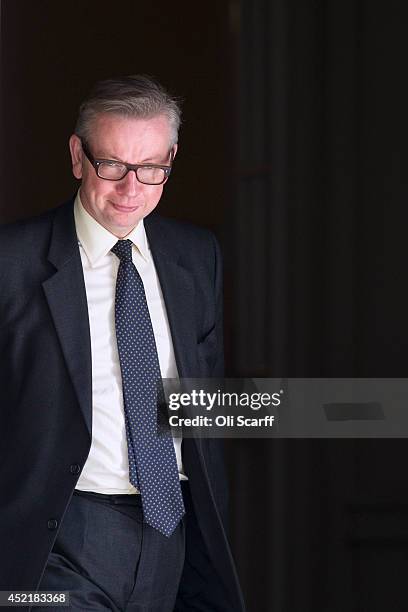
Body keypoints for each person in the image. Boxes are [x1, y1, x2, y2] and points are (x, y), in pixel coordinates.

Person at [0, 75, 245, 611]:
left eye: (152, 169)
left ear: (172, 158)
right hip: (55, 539)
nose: (131, 189)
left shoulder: (196, 256)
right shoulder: (10, 263)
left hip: (171, 532)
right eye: (111, 165)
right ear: (77, 156)